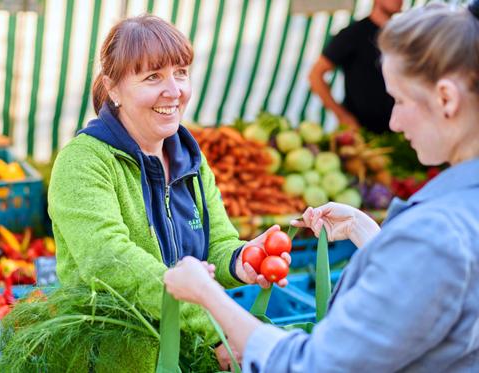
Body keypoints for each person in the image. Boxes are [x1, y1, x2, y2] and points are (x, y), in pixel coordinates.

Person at [165, 2, 479, 371]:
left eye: (400, 100)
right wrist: (368, 233)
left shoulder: (435, 231)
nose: (393, 122)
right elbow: (436, 291)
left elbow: (316, 365)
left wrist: (207, 297)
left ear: (446, 98)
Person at [46, 14, 290, 372]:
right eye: (152, 77)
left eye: (181, 73)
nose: (174, 91)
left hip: (190, 354)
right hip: (117, 356)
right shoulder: (83, 162)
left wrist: (242, 260)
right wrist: (216, 324)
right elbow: (108, 261)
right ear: (113, 88)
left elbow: (217, 243)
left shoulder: (188, 157)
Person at [309, 0, 402, 133]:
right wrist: (342, 115)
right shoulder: (353, 34)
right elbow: (315, 75)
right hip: (362, 132)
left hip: (397, 131)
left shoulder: (401, 37)